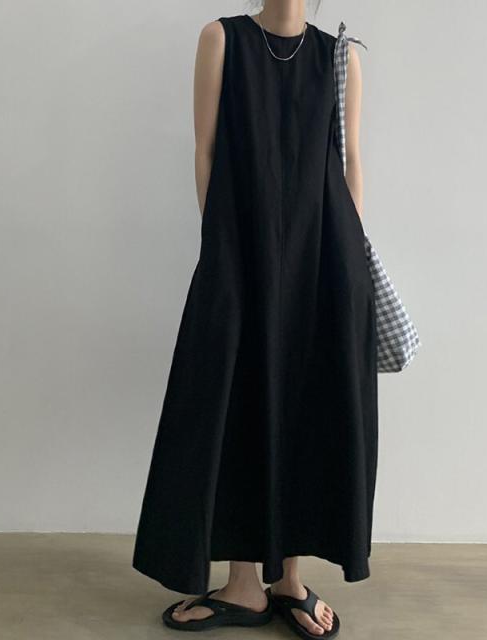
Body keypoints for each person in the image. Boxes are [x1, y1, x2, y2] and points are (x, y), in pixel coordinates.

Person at [132, 2, 377, 636]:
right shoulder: (222, 39)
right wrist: (221, 249)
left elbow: (350, 161)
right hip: (240, 253)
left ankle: (289, 579)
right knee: (237, 401)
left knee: (307, 406)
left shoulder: (340, 55)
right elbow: (206, 150)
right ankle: (243, 585)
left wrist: (349, 264)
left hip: (325, 259)